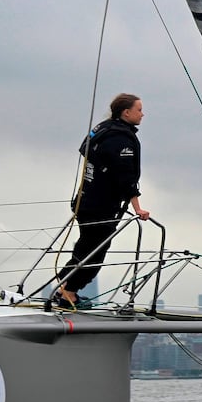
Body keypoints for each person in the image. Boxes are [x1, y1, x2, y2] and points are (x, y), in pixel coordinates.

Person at [55, 93, 150, 309]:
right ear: (126, 112)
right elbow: (125, 179)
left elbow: (84, 149)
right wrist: (138, 209)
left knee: (84, 248)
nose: (143, 114)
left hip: (84, 201)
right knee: (94, 253)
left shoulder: (103, 128)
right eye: (139, 109)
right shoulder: (121, 139)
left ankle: (63, 289)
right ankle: (67, 293)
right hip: (102, 207)